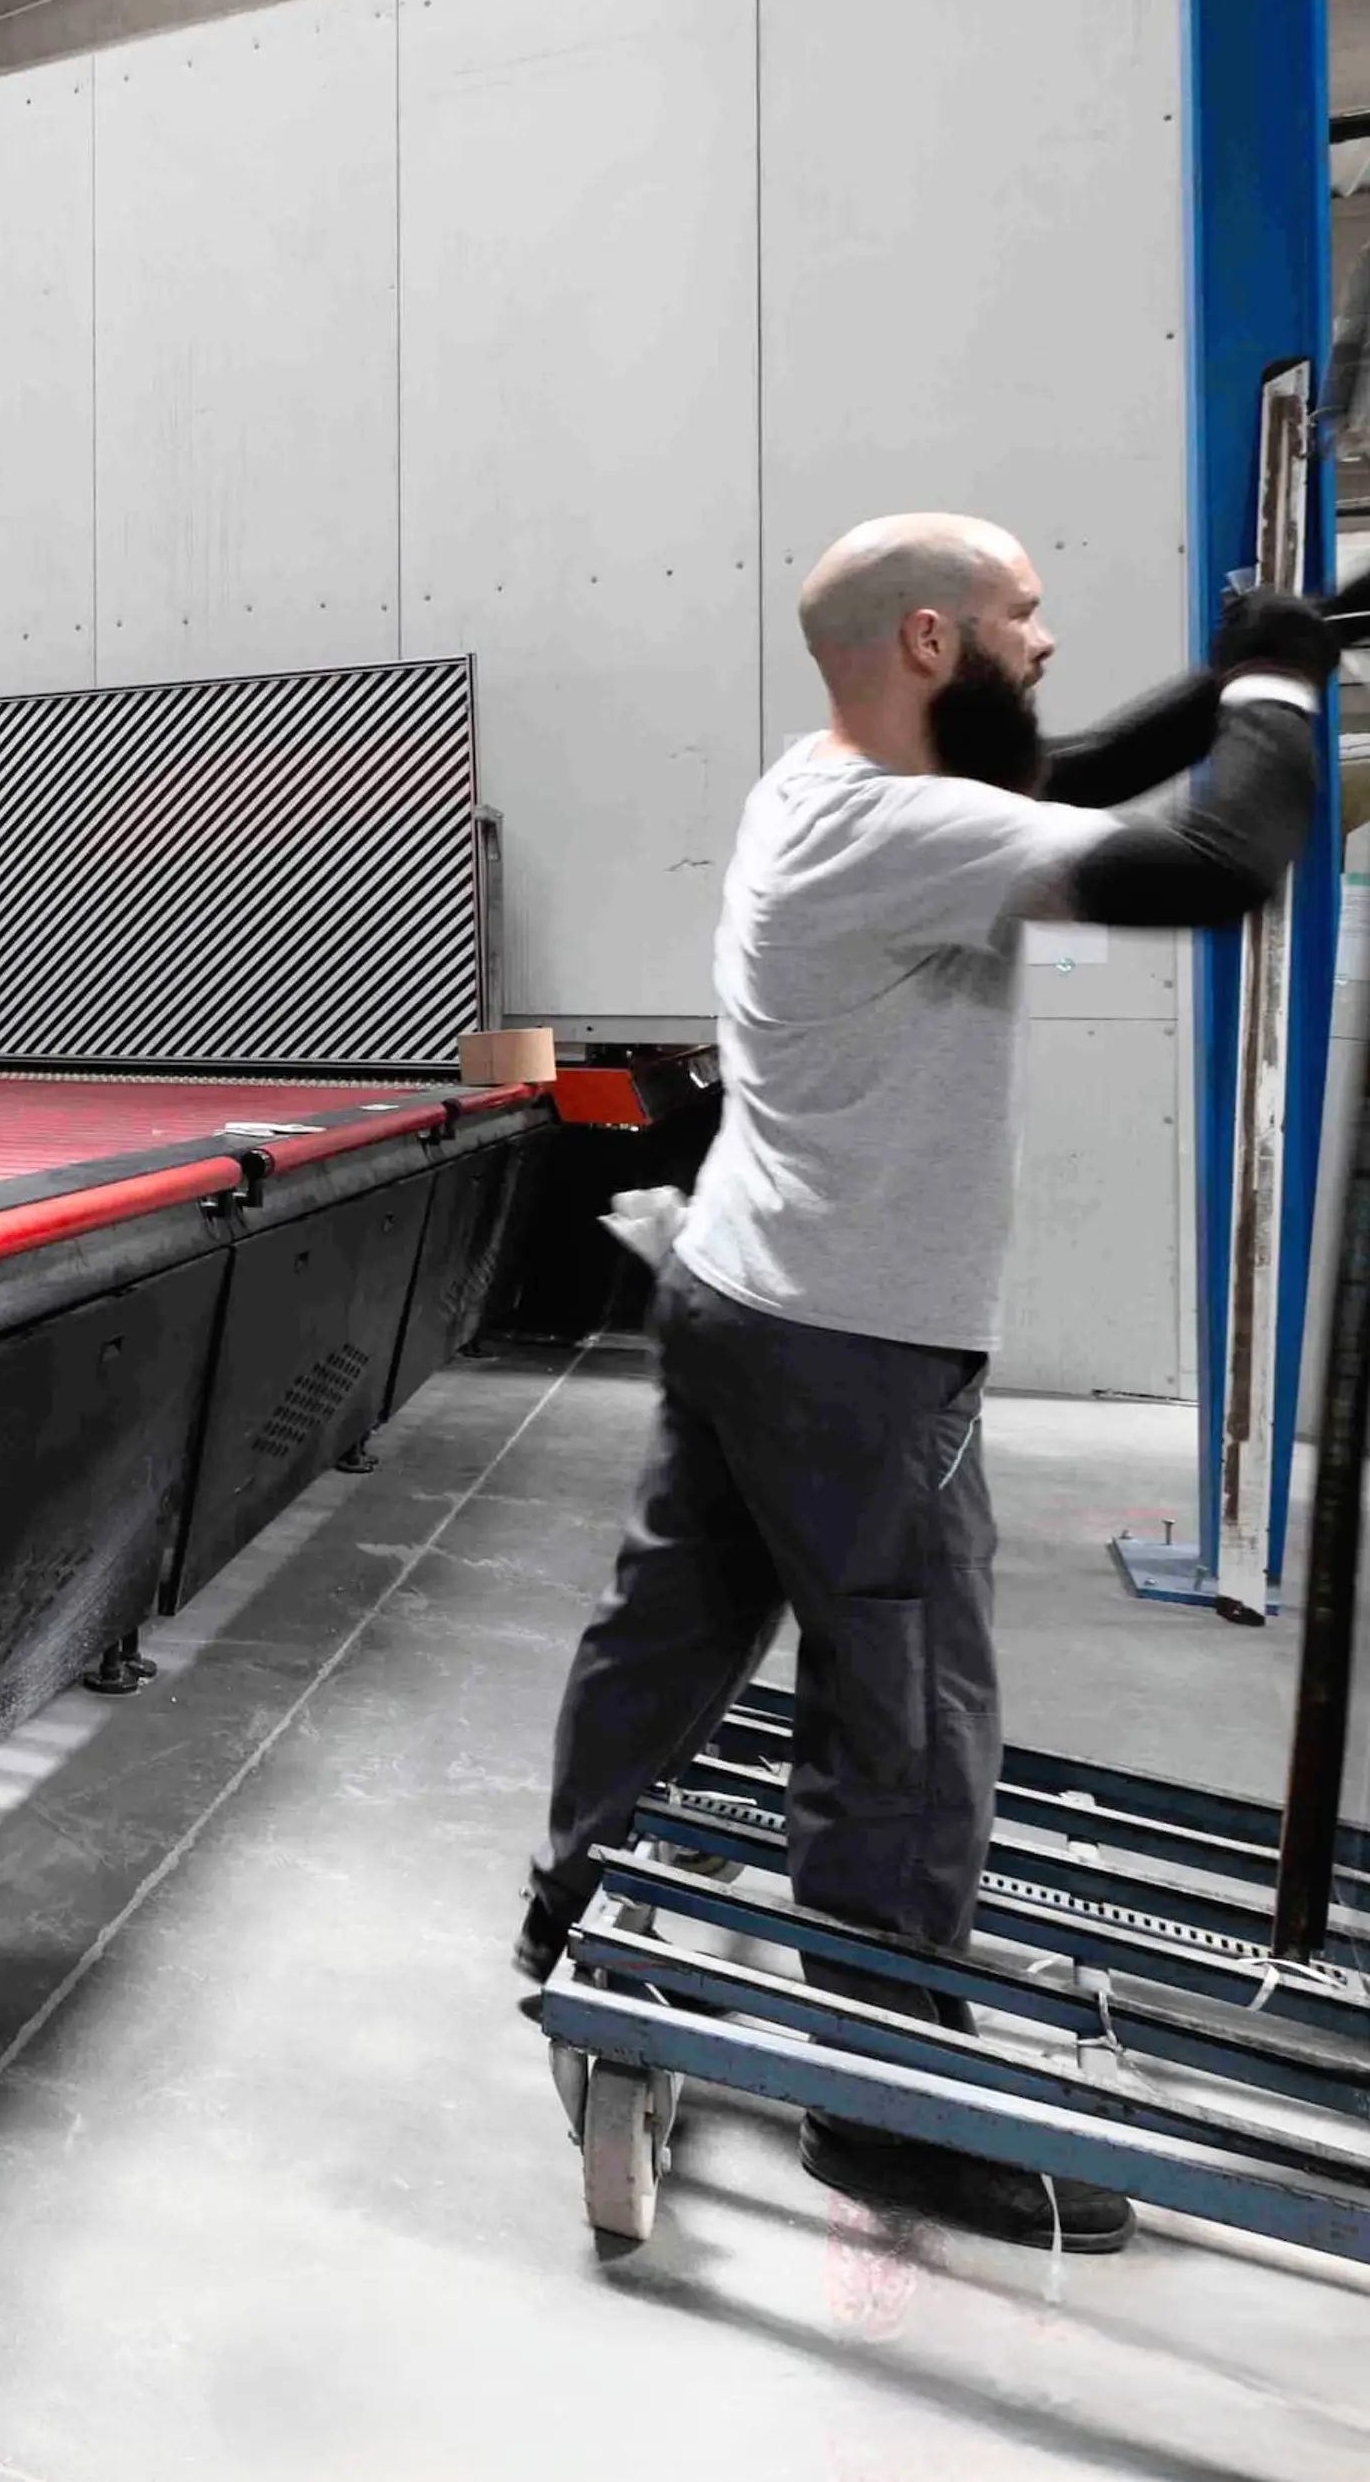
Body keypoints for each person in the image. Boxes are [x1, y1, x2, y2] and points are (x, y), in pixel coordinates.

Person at [514, 511, 1331, 2253]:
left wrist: (1260, 671)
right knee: (906, 1712)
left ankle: (574, 1885)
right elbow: (1213, 869)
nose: (1051, 640)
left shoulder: (818, 774)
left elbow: (1084, 758)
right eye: (1026, 614)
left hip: (744, 1288)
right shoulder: (910, 828)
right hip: (860, 1346)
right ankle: (885, 2107)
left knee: (672, 1618)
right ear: (935, 641)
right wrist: (1274, 693)